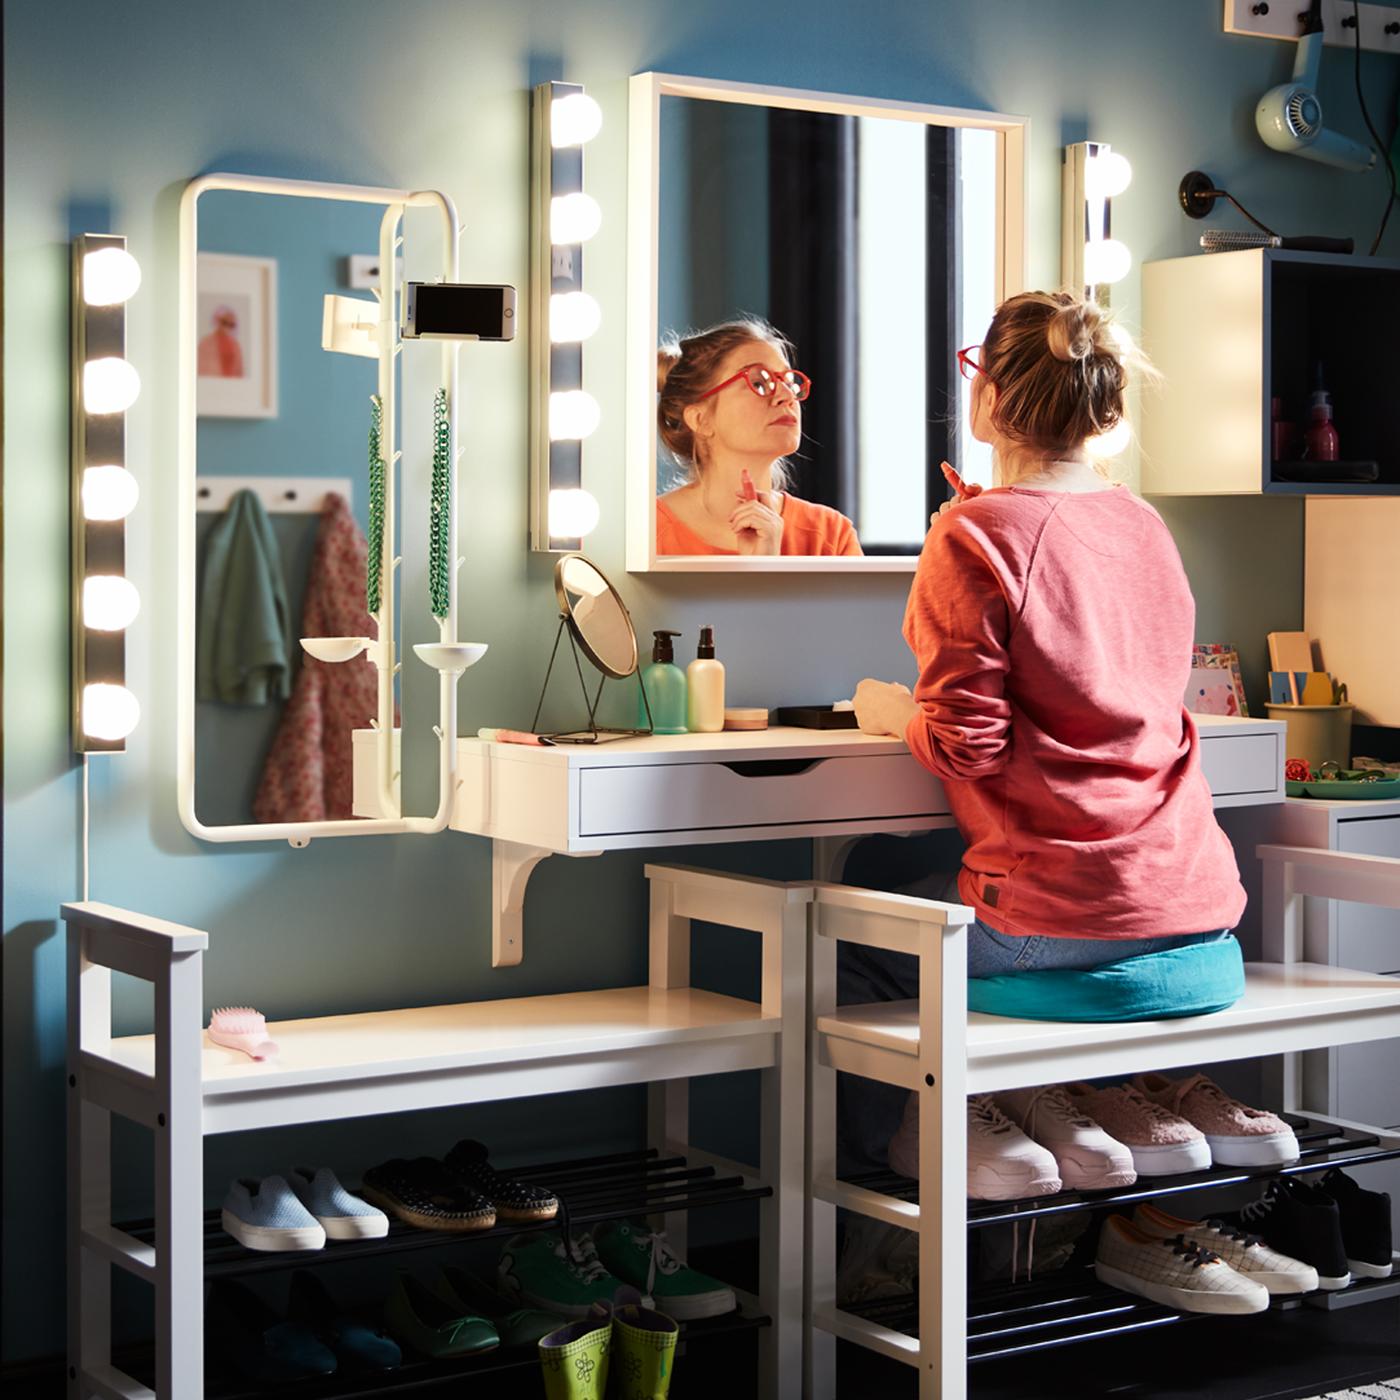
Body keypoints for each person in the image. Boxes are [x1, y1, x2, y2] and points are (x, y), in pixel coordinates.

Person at [842, 290, 1246, 1174]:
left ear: (986, 395)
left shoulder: (974, 532)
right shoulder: (1143, 525)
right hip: (1192, 904)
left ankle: (918, 1158)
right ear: (1102, 404)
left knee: (843, 942)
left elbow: (965, 745)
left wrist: (887, 713)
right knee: (911, 887)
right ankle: (1064, 1109)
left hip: (1059, 919)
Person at [655, 318, 862, 556]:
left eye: (788, 382)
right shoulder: (645, 536)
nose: (787, 395)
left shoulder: (831, 536)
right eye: (759, 383)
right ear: (700, 419)